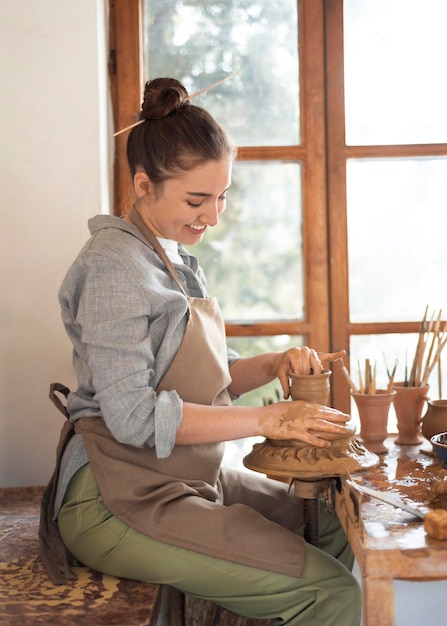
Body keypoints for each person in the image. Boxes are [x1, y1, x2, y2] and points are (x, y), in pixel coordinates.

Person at [39, 77, 361, 625]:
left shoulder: (176, 256)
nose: (212, 217)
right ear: (143, 185)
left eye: (221, 198)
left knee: (331, 522)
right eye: (197, 199)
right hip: (117, 494)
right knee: (332, 592)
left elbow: (213, 376)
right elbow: (135, 417)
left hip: (184, 472)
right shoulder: (112, 267)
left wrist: (275, 363)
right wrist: (267, 419)